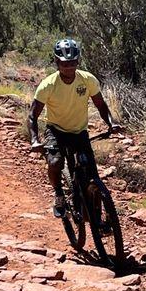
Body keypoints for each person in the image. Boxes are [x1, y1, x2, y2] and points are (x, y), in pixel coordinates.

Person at [28, 38, 121, 217]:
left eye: (72, 63)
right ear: (56, 62)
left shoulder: (87, 80)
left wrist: (112, 123)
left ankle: (98, 218)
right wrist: (34, 139)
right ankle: (59, 195)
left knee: (92, 176)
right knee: (55, 162)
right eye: (64, 63)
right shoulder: (48, 85)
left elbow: (101, 105)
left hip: (79, 132)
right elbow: (32, 115)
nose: (69, 67)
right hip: (56, 130)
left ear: (78, 61)